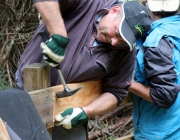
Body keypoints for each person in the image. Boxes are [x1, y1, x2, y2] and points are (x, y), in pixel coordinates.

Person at [15, 0, 151, 139]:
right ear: (114, 10)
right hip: (25, 95)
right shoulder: (87, 4)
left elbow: (116, 92)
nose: (114, 42)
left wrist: (85, 112)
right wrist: (58, 34)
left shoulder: (126, 51)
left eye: (122, 40)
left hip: (67, 111)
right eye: (117, 32)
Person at [129, 0, 180, 139]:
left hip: (162, 133)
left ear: (147, 8)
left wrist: (126, 82)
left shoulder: (155, 41)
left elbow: (164, 96)